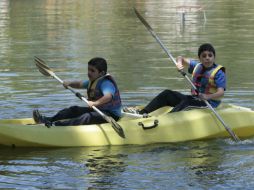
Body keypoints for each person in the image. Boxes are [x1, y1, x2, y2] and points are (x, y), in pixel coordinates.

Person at [136, 43, 226, 114]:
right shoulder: (197, 66)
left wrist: (207, 96)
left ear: (214, 57)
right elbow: (180, 58)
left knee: (187, 102)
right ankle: (143, 112)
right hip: (195, 99)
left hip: (209, 103)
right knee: (167, 94)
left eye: (210, 55)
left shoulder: (218, 72)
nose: (207, 58)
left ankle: (167, 119)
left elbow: (220, 93)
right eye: (204, 56)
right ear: (200, 58)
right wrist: (179, 63)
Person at [33, 57, 122, 126]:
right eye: (88, 69)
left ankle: (55, 125)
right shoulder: (94, 80)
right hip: (99, 111)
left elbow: (109, 96)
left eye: (92, 71)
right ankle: (48, 120)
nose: (89, 73)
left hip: (111, 115)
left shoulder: (106, 83)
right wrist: (69, 83)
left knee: (86, 117)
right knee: (73, 110)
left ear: (101, 73)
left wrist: (95, 103)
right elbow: (80, 84)